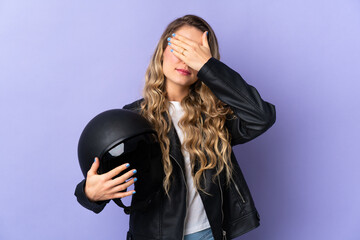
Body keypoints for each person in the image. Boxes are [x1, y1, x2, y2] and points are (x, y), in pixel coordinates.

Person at [74, 14, 276, 240]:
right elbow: (102, 176)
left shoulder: (214, 117)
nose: (185, 61)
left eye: (194, 54)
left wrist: (209, 67)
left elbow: (261, 117)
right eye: (180, 49)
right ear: (162, 51)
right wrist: (90, 193)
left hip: (210, 235)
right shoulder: (134, 118)